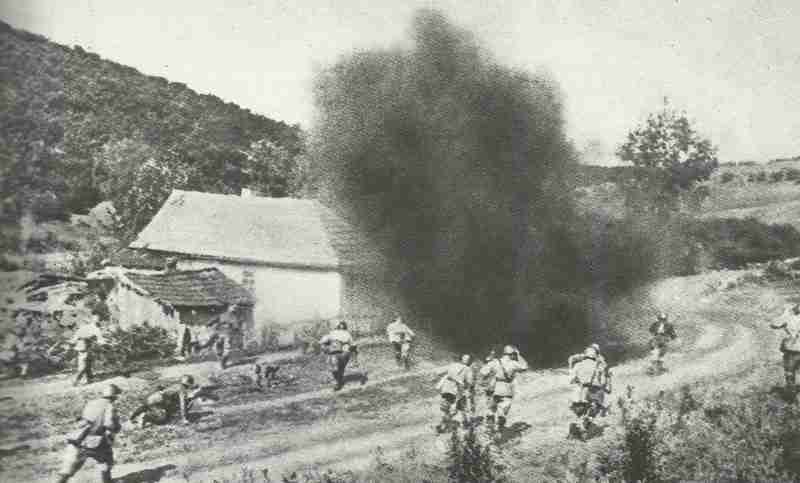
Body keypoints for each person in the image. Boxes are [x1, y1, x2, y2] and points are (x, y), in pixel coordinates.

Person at [56, 384, 122, 483]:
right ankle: (107, 481)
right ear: (115, 396)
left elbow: (83, 418)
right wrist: (116, 428)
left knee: (70, 466)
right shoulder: (110, 406)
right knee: (106, 461)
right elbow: (109, 424)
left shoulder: (91, 403)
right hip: (95, 440)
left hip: (78, 437)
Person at [479, 345, 528, 432]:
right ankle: (499, 426)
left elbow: (483, 372)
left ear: (503, 353)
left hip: (493, 387)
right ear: (512, 354)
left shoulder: (495, 362)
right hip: (506, 389)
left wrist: (485, 380)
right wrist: (519, 355)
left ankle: (489, 428)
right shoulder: (513, 363)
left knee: (491, 409)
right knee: (503, 410)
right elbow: (524, 367)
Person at [567, 344, 612, 439]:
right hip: (592, 394)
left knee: (580, 414)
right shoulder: (599, 366)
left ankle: (575, 431)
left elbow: (571, 380)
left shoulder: (578, 365)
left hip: (578, 395)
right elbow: (603, 383)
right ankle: (583, 430)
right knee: (591, 412)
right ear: (596, 355)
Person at [129, 375, 201, 427]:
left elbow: (161, 388)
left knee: (147, 406)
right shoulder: (182, 390)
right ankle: (147, 417)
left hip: (152, 397)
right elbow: (183, 404)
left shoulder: (175, 385)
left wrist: (132, 417)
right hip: (158, 402)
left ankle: (133, 418)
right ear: (188, 384)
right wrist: (184, 418)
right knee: (163, 420)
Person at [435, 354, 474, 432]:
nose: (467, 360)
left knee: (447, 407)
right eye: (467, 359)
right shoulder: (467, 369)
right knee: (459, 407)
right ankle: (462, 424)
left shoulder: (453, 365)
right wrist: (466, 387)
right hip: (456, 389)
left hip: (446, 388)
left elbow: (438, 371)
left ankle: (444, 424)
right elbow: (469, 382)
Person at [770, 303, 800, 391]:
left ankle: (791, 396)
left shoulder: (790, 317)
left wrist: (786, 313)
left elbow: (774, 324)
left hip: (793, 349)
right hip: (793, 348)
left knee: (790, 374)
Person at [320, 321, 355, 391]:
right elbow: (353, 344)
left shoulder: (333, 333)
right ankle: (339, 382)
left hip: (338, 353)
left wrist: (325, 347)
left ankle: (338, 382)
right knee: (340, 368)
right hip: (344, 353)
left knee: (335, 368)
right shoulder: (346, 333)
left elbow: (322, 342)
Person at [71, 320, 105, 387]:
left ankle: (90, 379)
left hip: (86, 349)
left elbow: (96, 339)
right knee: (83, 367)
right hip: (83, 349)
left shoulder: (88, 330)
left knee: (88, 365)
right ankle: (75, 380)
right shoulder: (83, 331)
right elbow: (75, 340)